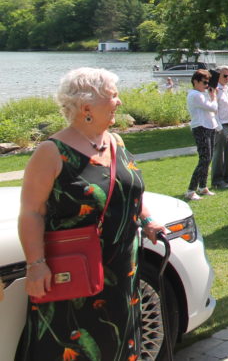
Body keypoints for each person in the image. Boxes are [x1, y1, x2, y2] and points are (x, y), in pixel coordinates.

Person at [18, 68, 165, 359]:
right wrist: (36, 264)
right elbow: (31, 212)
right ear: (86, 107)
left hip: (122, 271)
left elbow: (130, 191)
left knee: (118, 343)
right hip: (73, 274)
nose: (119, 102)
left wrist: (147, 219)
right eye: (113, 96)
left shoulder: (116, 142)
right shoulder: (51, 152)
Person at [185, 68, 218, 201]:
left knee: (208, 158)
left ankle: (202, 186)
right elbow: (213, 107)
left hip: (208, 126)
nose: (206, 86)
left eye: (208, 83)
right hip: (201, 127)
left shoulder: (201, 94)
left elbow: (212, 110)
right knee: (204, 159)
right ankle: (190, 190)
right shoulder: (195, 95)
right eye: (204, 82)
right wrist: (214, 97)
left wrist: (211, 97)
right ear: (195, 81)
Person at [211, 65, 228, 189]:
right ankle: (217, 180)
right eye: (225, 76)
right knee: (219, 153)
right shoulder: (214, 90)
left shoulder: (224, 89)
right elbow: (213, 110)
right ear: (218, 76)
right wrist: (218, 127)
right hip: (220, 125)